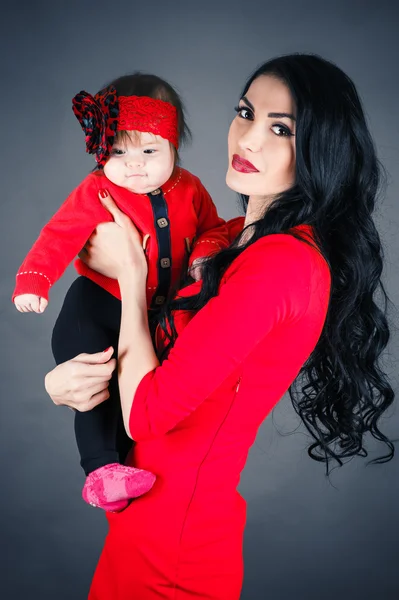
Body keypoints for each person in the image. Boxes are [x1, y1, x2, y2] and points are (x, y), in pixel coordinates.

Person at [44, 54, 395, 599]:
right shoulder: (226, 238)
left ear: (321, 148)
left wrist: (133, 276)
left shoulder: (284, 262)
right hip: (138, 527)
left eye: (281, 128)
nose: (248, 139)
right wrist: (64, 381)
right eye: (245, 112)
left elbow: (148, 413)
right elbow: (136, 354)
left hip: (176, 553)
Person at [12, 73, 230, 512]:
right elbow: (59, 235)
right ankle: (99, 470)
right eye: (118, 152)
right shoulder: (97, 188)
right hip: (93, 307)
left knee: (137, 398)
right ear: (101, 151)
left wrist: (206, 252)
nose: (134, 165)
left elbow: (215, 230)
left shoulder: (190, 189)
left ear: (174, 148)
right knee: (95, 386)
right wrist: (34, 278)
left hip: (150, 315)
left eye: (149, 151)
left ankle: (124, 473)